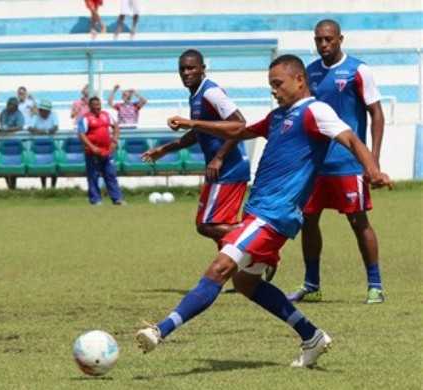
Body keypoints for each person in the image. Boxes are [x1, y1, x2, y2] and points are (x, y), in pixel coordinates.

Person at [135, 55, 392, 369]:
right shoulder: (277, 116)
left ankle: (160, 330)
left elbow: (350, 137)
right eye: (271, 85)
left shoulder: (315, 111)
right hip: (258, 211)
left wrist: (373, 169)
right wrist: (193, 126)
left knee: (220, 267)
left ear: (299, 80)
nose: (274, 90)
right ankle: (311, 336)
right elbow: (238, 130)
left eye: (278, 84)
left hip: (274, 215)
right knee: (246, 284)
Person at [286, 20, 387, 305]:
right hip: (316, 164)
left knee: (358, 221)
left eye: (329, 39)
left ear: (341, 39)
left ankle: (375, 285)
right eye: (319, 40)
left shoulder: (358, 70)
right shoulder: (309, 73)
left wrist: (373, 161)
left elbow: (376, 114)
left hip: (348, 163)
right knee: (308, 220)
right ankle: (312, 285)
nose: (323, 45)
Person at [141, 49, 249, 252]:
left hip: (229, 169)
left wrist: (219, 157)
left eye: (191, 68)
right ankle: (241, 276)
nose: (186, 73)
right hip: (219, 170)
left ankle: (258, 239)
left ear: (202, 69)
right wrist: (165, 149)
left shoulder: (211, 92)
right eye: (182, 69)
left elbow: (239, 124)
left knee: (206, 226)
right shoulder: (196, 95)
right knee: (217, 228)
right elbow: (198, 132)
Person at [77, 96, 124, 205]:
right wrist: (92, 147)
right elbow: (81, 134)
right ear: (90, 107)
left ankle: (117, 199)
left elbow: (116, 127)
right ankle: (96, 200)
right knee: (93, 176)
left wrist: (114, 141)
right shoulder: (85, 118)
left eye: (99, 105)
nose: (97, 108)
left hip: (107, 151)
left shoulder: (106, 115)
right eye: (95, 106)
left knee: (110, 174)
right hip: (93, 152)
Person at [27, 99, 59, 189]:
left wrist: (44, 131)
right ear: (40, 110)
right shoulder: (36, 116)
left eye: (47, 111)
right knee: (42, 164)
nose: (45, 113)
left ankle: (53, 187)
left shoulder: (53, 115)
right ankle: (44, 186)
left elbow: (55, 128)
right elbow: (30, 128)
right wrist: (44, 131)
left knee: (53, 163)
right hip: (39, 144)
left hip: (51, 143)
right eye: (43, 111)